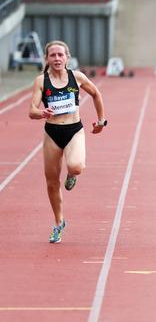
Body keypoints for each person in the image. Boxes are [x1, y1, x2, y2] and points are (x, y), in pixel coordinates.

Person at [29, 41, 106, 243]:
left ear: (67, 58)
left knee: (76, 166)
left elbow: (97, 93)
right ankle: (58, 222)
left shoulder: (77, 77)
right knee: (52, 182)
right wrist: (41, 113)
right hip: (52, 133)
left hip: (74, 130)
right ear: (47, 59)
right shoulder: (41, 81)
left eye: (60, 55)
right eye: (52, 55)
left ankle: (72, 174)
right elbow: (32, 110)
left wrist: (101, 121)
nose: (56, 59)